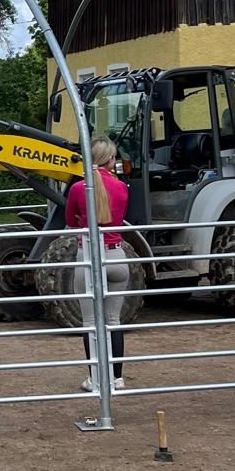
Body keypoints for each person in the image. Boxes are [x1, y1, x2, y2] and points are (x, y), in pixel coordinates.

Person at [64, 136, 131, 391]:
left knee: (90, 323)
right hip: (116, 256)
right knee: (113, 320)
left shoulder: (78, 188)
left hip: (90, 256)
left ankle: (95, 378)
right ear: (111, 160)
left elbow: (70, 220)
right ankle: (117, 377)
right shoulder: (121, 187)